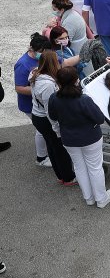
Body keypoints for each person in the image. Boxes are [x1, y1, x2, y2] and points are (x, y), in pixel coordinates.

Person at [48, 66, 110, 208]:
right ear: (76, 80)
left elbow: (53, 116)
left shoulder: (54, 98)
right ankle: (101, 198)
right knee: (95, 168)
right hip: (90, 137)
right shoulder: (84, 99)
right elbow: (99, 118)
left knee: (79, 167)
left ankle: (88, 198)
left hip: (69, 139)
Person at [29, 51, 76, 185]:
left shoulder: (35, 74)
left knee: (51, 146)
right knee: (59, 149)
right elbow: (49, 109)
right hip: (45, 119)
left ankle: (60, 175)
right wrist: (57, 130)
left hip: (37, 116)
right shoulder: (48, 85)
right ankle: (68, 177)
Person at [15, 34, 52, 167]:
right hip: (30, 105)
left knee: (44, 129)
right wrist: (39, 90)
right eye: (42, 52)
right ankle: (41, 158)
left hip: (40, 101)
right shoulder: (22, 64)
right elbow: (19, 88)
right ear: (33, 50)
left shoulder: (40, 57)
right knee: (41, 130)